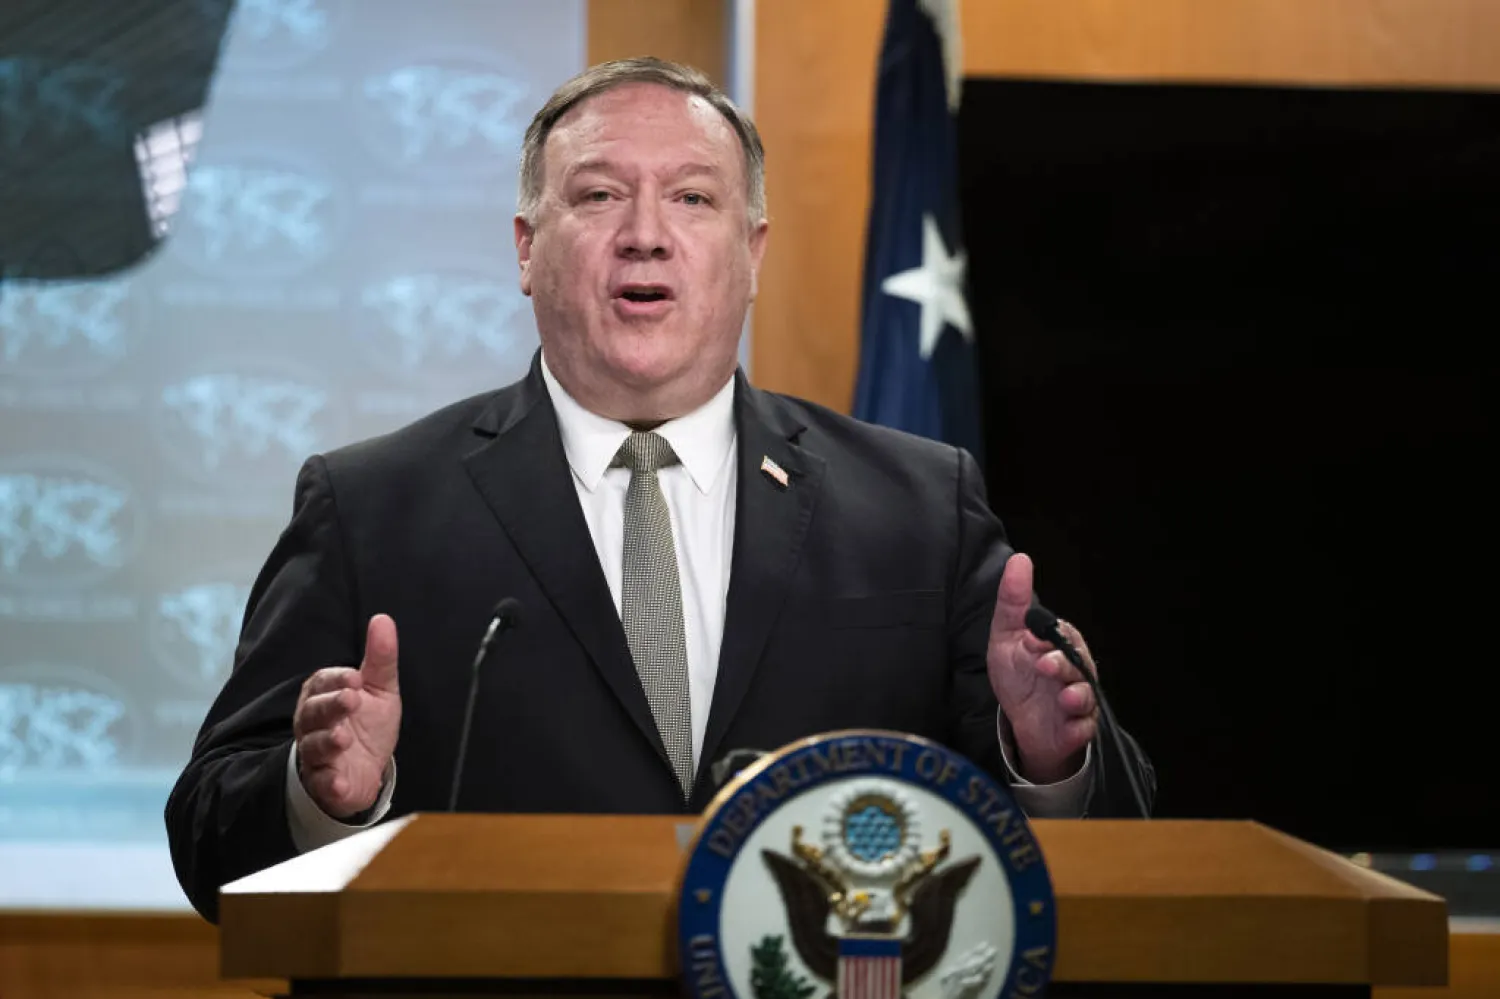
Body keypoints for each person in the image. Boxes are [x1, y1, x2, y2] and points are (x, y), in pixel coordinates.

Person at [164, 57, 1154, 923]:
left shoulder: (917, 504)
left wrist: (1049, 762)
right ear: (526, 248)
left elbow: (1122, 833)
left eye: (692, 198)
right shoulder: (371, 507)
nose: (646, 234)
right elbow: (211, 844)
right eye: (599, 195)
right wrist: (319, 797)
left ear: (752, 253)